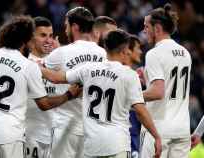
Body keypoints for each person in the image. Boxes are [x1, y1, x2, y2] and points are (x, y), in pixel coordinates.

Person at [0, 16, 80, 158]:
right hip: (10, 134)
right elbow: (44, 104)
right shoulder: (28, 66)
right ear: (26, 41)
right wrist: (69, 95)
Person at [41, 30, 161, 158]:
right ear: (125, 49)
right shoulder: (129, 75)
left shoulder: (88, 69)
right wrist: (156, 136)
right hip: (117, 145)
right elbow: (140, 111)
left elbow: (56, 78)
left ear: (105, 47)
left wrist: (37, 67)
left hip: (92, 146)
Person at [43, 7, 106, 158]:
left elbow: (36, 71)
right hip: (94, 130)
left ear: (75, 27)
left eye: (66, 26)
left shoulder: (61, 53)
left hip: (66, 128)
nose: (65, 31)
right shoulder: (103, 54)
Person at [140, 3, 192, 158]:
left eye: (146, 27)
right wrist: (147, 79)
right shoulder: (185, 52)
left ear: (157, 28)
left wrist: (130, 95)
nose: (144, 31)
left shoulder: (154, 54)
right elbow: (170, 84)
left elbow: (158, 92)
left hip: (159, 128)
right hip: (182, 130)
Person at [25, 16, 55, 158]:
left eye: (50, 36)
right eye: (43, 35)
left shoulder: (58, 63)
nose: (49, 40)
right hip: (29, 136)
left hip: (54, 137)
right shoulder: (24, 63)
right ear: (31, 37)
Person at [123, 35, 143, 158]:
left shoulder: (135, 75)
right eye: (138, 48)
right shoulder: (129, 76)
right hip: (127, 135)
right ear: (128, 51)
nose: (140, 51)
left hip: (133, 134)